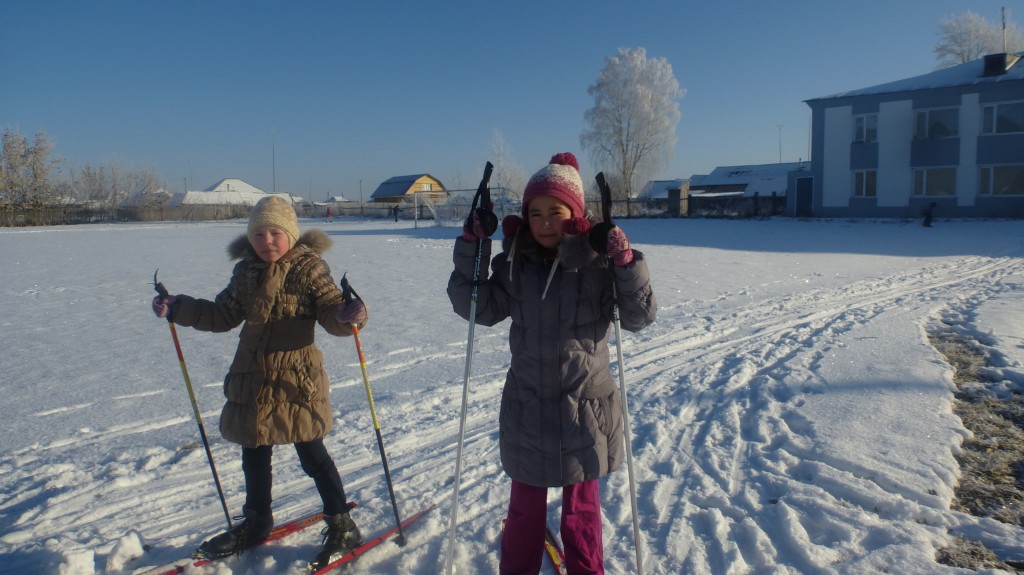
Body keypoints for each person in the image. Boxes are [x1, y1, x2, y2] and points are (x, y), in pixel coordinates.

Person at [447, 153, 656, 574]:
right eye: (535, 213)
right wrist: (472, 246)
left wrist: (624, 263)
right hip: (528, 408)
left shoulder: (597, 265)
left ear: (575, 215)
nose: (544, 223)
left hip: (586, 409)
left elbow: (638, 316)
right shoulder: (514, 265)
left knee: (581, 511)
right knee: (524, 509)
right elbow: (478, 307)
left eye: (555, 213)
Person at [151, 195, 368, 566]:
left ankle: (341, 523)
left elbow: (331, 309)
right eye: (258, 234)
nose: (266, 241)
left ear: (290, 234)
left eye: (275, 233)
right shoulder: (245, 272)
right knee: (253, 452)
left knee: (312, 453)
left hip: (295, 377)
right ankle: (257, 521)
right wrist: (179, 307)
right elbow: (221, 314)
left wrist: (348, 315)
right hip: (252, 374)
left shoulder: (308, 268)